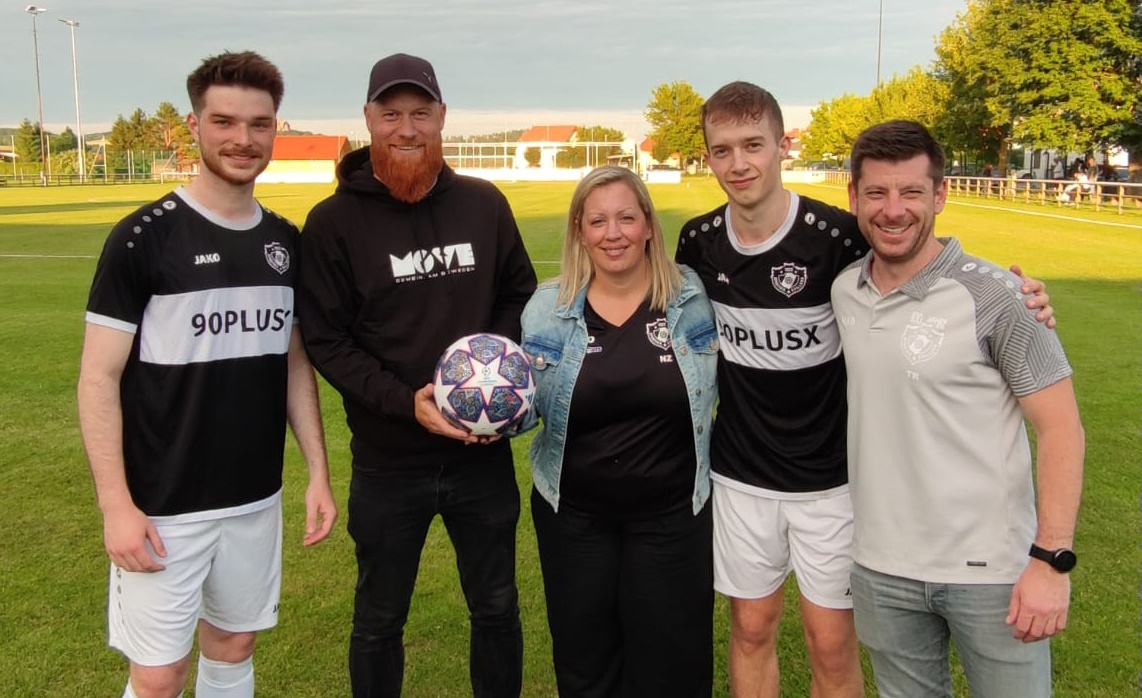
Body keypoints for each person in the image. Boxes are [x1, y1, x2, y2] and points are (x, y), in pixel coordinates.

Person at [674, 81, 1053, 698]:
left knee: (830, 643)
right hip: (740, 473)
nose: (739, 163)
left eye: (753, 146)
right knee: (749, 629)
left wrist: (1018, 294)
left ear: (780, 147)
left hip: (833, 480)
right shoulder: (698, 240)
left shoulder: (840, 233)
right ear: (709, 156)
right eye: (722, 150)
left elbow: (919, 260)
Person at [77, 51, 337, 698]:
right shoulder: (143, 239)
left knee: (234, 644)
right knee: (160, 676)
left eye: (259, 123)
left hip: (254, 496)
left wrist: (318, 475)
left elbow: (294, 363)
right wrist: (116, 506)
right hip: (163, 505)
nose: (242, 139)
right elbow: (96, 380)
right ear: (193, 125)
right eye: (224, 121)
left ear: (276, 128)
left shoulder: (284, 243)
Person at [296, 53, 537, 698]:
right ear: (369, 119)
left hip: (480, 459)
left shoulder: (484, 205)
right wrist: (408, 404)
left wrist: (492, 387)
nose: (407, 128)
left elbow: (521, 294)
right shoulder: (333, 224)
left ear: (442, 119)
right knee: (379, 618)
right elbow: (327, 340)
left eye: (421, 113)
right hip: (387, 462)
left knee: (495, 607)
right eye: (392, 112)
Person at [832, 119, 1085, 698]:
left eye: (912, 192)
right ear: (853, 197)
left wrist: (1051, 560)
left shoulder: (1001, 297)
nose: (893, 210)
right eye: (876, 193)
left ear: (941, 195)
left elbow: (1062, 430)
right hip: (881, 568)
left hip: (992, 573)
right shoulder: (844, 289)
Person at [520, 166, 720, 697]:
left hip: (674, 517)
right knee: (587, 663)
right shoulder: (548, 307)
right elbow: (526, 407)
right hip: (575, 519)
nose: (614, 233)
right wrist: (482, 412)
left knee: (672, 664)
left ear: (649, 225)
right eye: (598, 220)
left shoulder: (690, 297)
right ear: (580, 231)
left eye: (627, 218)